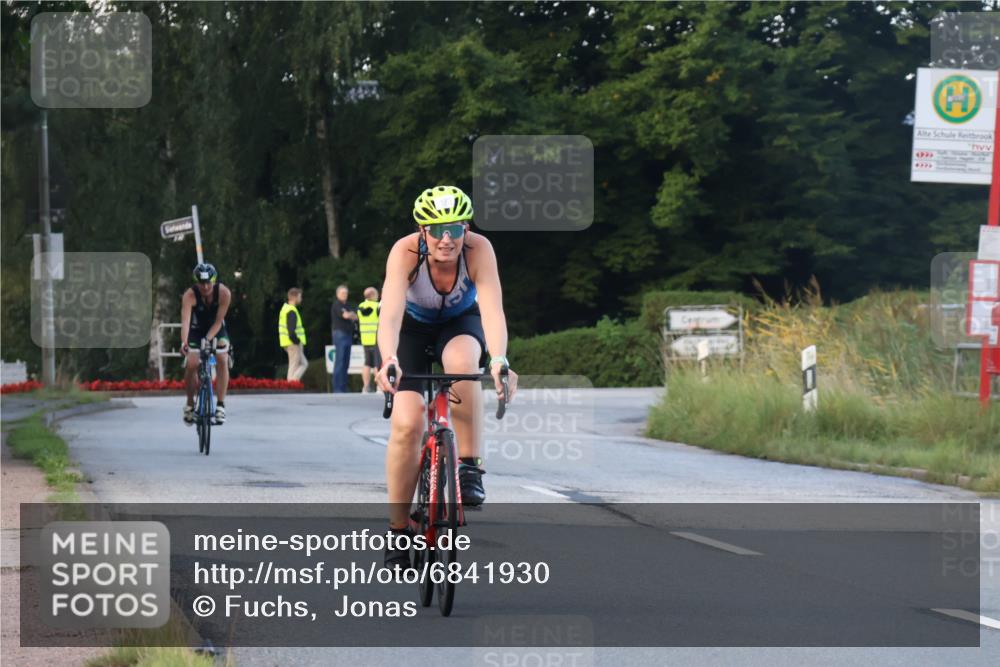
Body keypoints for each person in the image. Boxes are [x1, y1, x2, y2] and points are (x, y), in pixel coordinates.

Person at [375, 185, 518, 569]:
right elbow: (388, 315)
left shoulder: (478, 249)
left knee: (464, 364)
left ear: (466, 227)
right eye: (436, 229)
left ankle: (470, 466)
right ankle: (398, 527)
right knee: (407, 423)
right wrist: (388, 359)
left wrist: (500, 358)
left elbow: (492, 309)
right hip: (412, 331)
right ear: (422, 230)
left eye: (454, 228)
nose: (445, 238)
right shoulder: (405, 251)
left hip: (458, 324)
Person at [181, 263, 232, 425]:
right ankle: (190, 403)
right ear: (196, 282)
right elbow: (186, 322)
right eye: (201, 283)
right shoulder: (189, 295)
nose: (205, 286)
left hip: (216, 329)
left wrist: (208, 340)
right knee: (192, 364)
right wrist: (184, 342)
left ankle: (220, 405)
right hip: (196, 330)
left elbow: (218, 322)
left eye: (209, 282)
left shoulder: (224, 293)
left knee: (222, 358)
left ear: (214, 280)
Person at [330, 285, 357, 393]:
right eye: (342, 293)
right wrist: (351, 314)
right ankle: (337, 388)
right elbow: (346, 316)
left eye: (346, 293)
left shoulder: (348, 305)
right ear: (337, 294)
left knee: (346, 362)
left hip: (348, 334)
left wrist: (350, 314)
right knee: (340, 361)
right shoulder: (337, 305)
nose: (344, 295)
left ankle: (343, 387)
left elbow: (356, 316)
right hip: (340, 334)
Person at [278, 287, 308, 382]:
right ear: (294, 297)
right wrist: (297, 341)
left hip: (288, 342)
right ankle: (291, 384)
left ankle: (292, 382)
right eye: (300, 296)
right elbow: (291, 330)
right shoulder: (291, 311)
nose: (301, 299)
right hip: (293, 342)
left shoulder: (286, 309)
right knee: (294, 365)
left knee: (303, 363)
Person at [357, 287, 381, 393]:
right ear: (372, 295)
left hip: (365, 339)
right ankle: (379, 387)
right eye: (376, 294)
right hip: (376, 338)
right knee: (377, 363)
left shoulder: (360, 307)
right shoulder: (377, 306)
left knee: (367, 363)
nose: (378, 296)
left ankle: (365, 387)